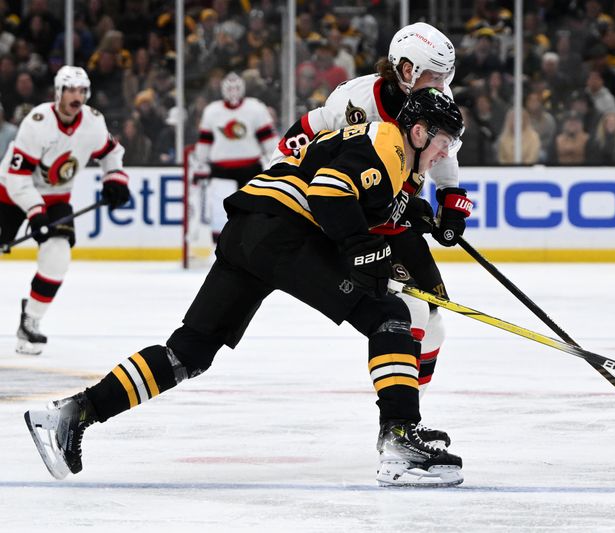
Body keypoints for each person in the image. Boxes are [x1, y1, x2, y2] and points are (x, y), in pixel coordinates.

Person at [25, 88, 465, 488]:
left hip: (249, 231)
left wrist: (409, 218)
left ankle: (72, 413)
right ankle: (400, 440)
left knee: (188, 353)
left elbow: (351, 194)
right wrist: (365, 253)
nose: (445, 152)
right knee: (390, 317)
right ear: (420, 131)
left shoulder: (385, 150)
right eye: (444, 141)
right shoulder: (387, 142)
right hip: (283, 233)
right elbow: (330, 193)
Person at [269, 22, 472, 400]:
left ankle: (410, 415)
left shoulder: (438, 101)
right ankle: (397, 421)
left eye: (445, 77)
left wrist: (450, 200)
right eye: (433, 75)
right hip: (355, 225)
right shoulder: (355, 99)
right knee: (409, 313)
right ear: (406, 68)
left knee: (435, 325)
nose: (442, 85)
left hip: (397, 219)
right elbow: (297, 144)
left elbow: (445, 155)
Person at [0, 65, 129, 355]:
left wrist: (115, 179)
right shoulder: (37, 123)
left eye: (82, 90)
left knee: (58, 256)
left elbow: (111, 152)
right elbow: (19, 177)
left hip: (57, 197)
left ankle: (31, 320)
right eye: (70, 89)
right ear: (58, 92)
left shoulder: (93, 123)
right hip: (10, 192)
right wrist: (35, 212)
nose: (77, 96)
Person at [191, 72, 278, 242]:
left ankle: (252, 244)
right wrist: (200, 163)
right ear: (223, 89)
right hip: (220, 169)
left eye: (236, 87)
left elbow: (268, 139)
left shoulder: (255, 108)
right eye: (229, 88)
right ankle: (219, 247)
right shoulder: (212, 111)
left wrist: (278, 159)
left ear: (243, 88)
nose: (233, 91)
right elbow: (205, 142)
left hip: (250, 169)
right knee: (219, 210)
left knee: (253, 209)